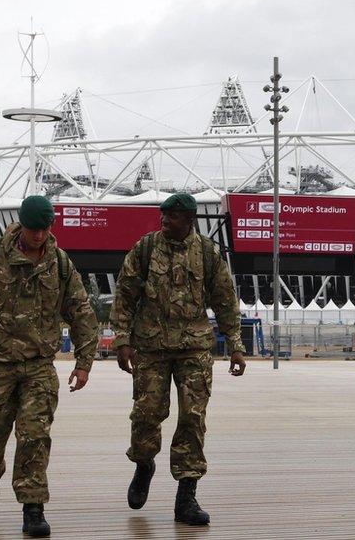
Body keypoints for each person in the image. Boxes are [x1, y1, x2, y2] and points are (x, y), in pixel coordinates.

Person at [0, 195, 98, 538]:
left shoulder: (60, 264)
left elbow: (82, 313)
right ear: (21, 225)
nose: (40, 236)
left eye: (45, 229)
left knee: (35, 435)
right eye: (34, 229)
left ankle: (33, 507)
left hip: (39, 366)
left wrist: (84, 361)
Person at [111, 193, 246, 526]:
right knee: (145, 415)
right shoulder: (144, 250)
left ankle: (186, 496)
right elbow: (125, 296)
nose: (164, 221)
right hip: (151, 348)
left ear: (189, 220)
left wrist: (236, 345)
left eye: (172, 216)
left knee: (193, 419)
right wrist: (122, 341)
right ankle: (144, 465)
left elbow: (226, 301)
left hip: (194, 349)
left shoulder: (208, 255)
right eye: (163, 215)